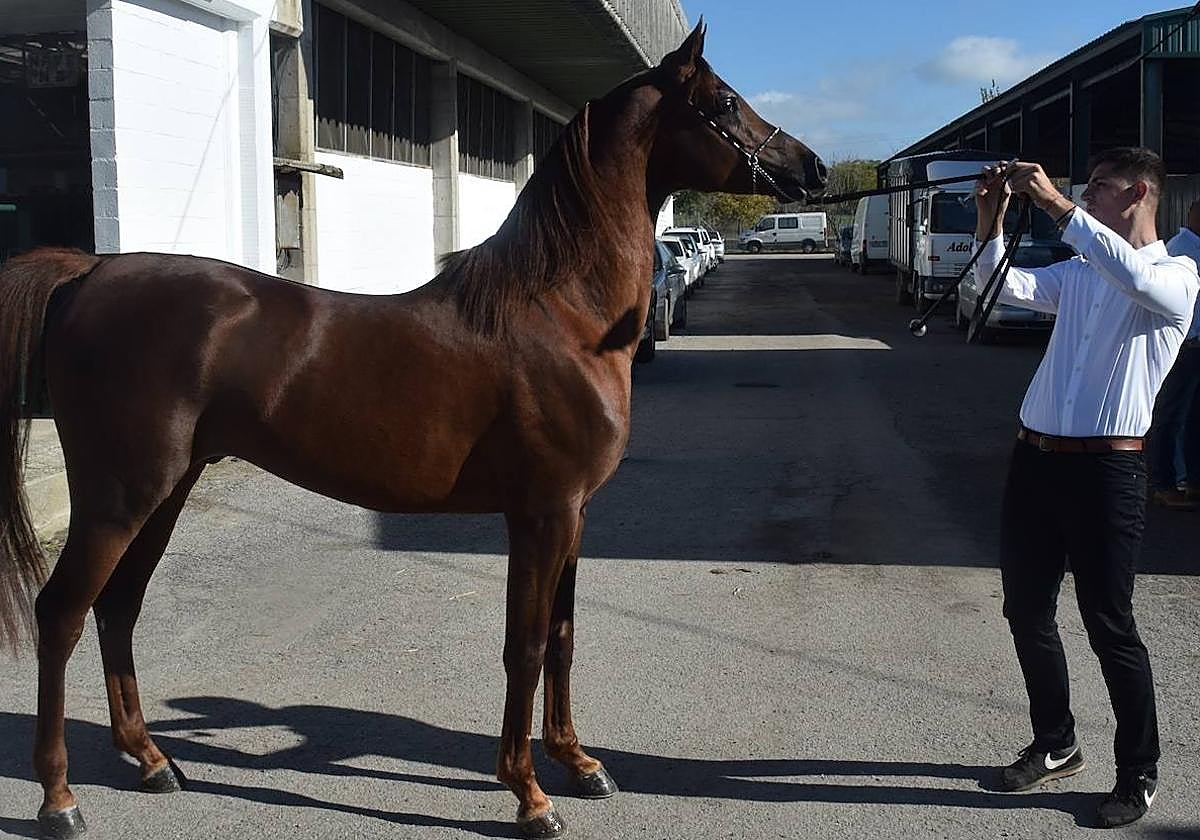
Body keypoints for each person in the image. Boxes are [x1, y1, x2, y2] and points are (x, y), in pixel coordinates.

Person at [972, 148, 1199, 829]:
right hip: (1036, 461)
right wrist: (991, 222)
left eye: (1097, 186)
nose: (1084, 194)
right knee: (1026, 610)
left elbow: (1130, 272)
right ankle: (1056, 743)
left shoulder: (1178, 275)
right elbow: (1002, 289)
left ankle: (1139, 773)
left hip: (1107, 471)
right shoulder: (1080, 272)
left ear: (1137, 194)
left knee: (1110, 624)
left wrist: (1055, 204)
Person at [1147, 199, 1200, 509]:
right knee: (1172, 416)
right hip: (1185, 347)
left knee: (1194, 418)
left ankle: (1193, 480)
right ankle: (1164, 483)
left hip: (1195, 347)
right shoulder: (1182, 248)